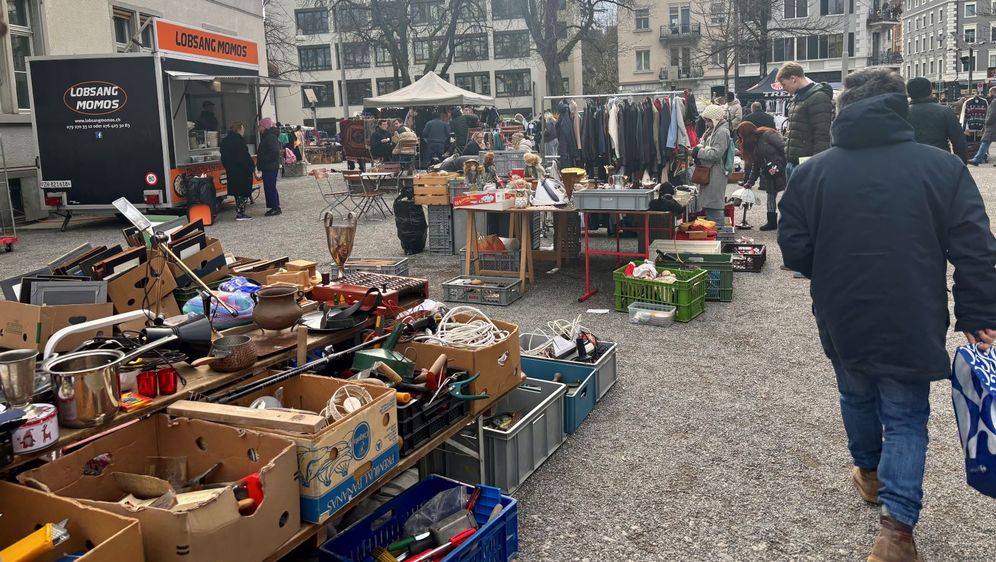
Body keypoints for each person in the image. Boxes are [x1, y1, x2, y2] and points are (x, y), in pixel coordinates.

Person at [778, 67, 996, 562]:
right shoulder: (942, 168)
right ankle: (897, 531)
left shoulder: (813, 172)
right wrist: (978, 312)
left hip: (842, 304)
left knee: (854, 391)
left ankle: (870, 474)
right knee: (905, 414)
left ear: (844, 109)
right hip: (914, 305)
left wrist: (830, 269)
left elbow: (793, 248)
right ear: (899, 106)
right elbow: (976, 248)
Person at [776, 61, 834, 178]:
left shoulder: (818, 98)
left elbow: (822, 136)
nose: (783, 88)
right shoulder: (796, 99)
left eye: (784, 84)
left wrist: (816, 167)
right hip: (794, 163)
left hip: (806, 164)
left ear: (793, 78)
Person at [736, 121, 786, 231]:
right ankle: (772, 222)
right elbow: (756, 164)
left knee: (787, 196)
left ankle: (787, 221)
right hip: (769, 172)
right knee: (771, 196)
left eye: (742, 136)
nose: (742, 140)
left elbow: (784, 148)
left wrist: (784, 163)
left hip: (782, 169)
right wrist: (750, 182)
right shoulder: (752, 145)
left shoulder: (767, 135)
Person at [905, 78, 967, 163]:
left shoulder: (902, 113)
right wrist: (961, 164)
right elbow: (959, 141)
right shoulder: (945, 111)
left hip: (911, 161)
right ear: (931, 91)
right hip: (940, 159)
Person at [691, 104, 732, 224]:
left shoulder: (721, 132)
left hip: (716, 173)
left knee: (714, 205)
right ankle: (716, 234)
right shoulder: (713, 130)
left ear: (715, 119)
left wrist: (699, 151)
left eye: (708, 120)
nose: (706, 123)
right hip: (711, 172)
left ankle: (718, 235)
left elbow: (716, 154)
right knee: (711, 205)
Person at [219, 122, 255, 221]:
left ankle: (240, 211)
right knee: (243, 192)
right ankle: (241, 213)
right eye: (243, 129)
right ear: (238, 129)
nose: (244, 131)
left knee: (237, 192)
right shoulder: (238, 141)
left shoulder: (225, 141)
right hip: (241, 171)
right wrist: (250, 167)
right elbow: (243, 157)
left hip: (232, 171)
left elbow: (223, 157)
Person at [256, 117, 283, 216]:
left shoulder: (270, 137)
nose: (259, 128)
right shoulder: (268, 136)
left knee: (270, 187)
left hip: (270, 166)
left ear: (265, 126)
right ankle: (274, 206)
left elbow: (274, 151)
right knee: (270, 187)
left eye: (260, 126)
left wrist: (264, 160)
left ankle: (275, 207)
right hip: (269, 166)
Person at [969, 86, 996, 165]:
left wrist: (987, 122)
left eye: (990, 92)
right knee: (986, 142)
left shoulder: (994, 101)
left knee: (985, 141)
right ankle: (978, 158)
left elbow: (993, 114)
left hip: (992, 126)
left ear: (993, 92)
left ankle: (977, 159)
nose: (989, 94)